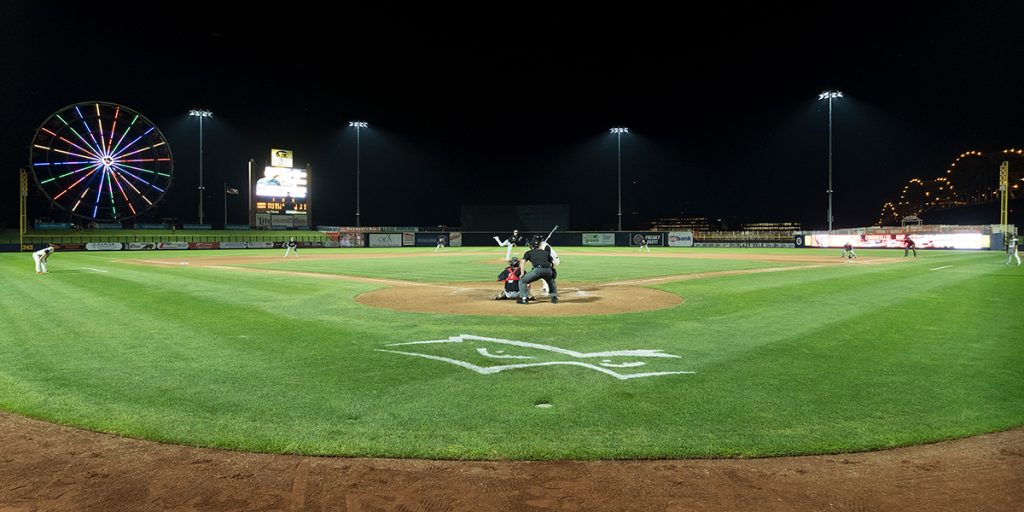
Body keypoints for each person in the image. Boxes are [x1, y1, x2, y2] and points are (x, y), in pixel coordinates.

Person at [518, 236, 558, 304]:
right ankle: (554, 297)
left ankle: (524, 299)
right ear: (540, 245)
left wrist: (522, 274)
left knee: (522, 281)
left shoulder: (528, 252)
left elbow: (522, 262)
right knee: (551, 281)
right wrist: (552, 271)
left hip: (536, 271)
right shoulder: (545, 252)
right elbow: (553, 262)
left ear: (531, 246)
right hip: (547, 271)